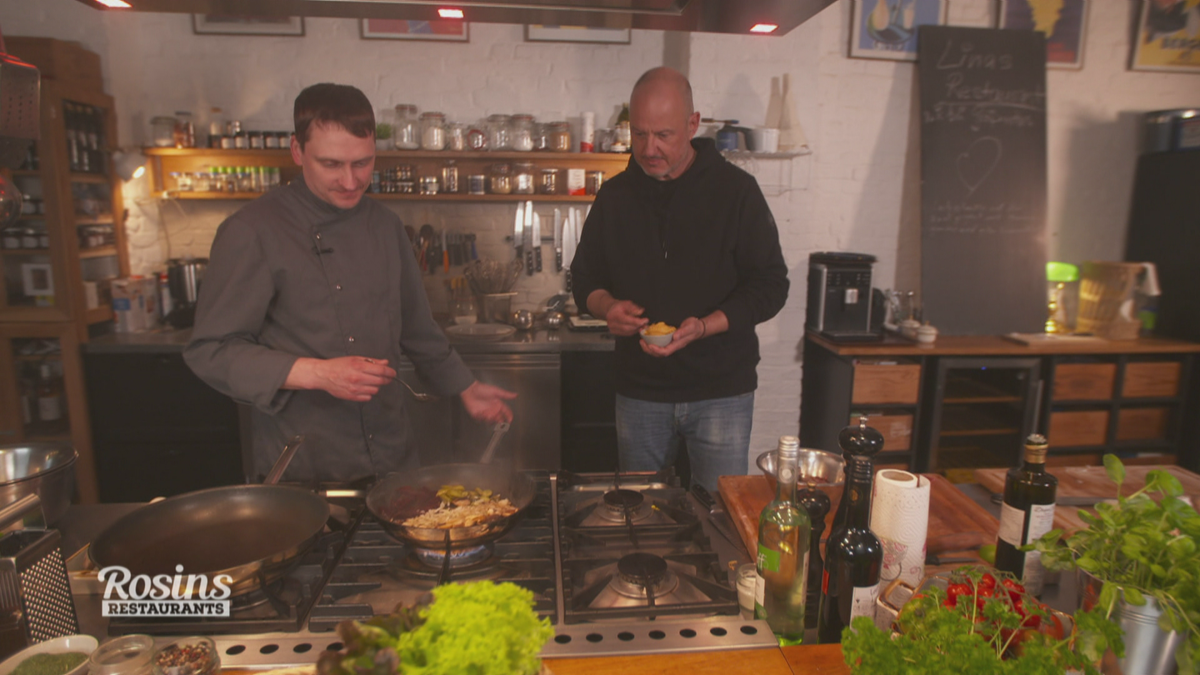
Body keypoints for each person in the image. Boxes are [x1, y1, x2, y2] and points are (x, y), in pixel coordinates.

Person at [184, 83, 515, 484]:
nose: (350, 181)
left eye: (362, 163)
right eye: (331, 165)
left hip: (393, 456)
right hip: (306, 463)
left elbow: (417, 327)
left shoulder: (386, 226)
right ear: (296, 151)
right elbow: (211, 350)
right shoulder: (252, 231)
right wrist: (317, 373)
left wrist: (464, 386)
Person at [569, 67, 789, 493]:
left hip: (722, 390)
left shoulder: (736, 192)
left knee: (719, 513)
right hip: (639, 393)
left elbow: (770, 285)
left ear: (693, 124)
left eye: (663, 135)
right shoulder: (614, 197)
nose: (649, 149)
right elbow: (584, 277)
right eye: (639, 134)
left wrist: (707, 325)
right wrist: (605, 307)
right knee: (642, 513)